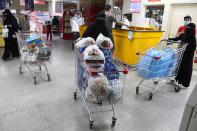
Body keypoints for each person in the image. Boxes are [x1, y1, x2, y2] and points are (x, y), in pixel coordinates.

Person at [169, 23, 196, 88]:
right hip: (181, 53)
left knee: (186, 69)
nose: (187, 29)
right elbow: (176, 39)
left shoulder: (193, 38)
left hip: (188, 56)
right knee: (179, 67)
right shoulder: (183, 34)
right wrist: (169, 39)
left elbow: (193, 48)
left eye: (189, 28)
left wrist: (187, 47)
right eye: (187, 28)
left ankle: (185, 83)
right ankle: (177, 79)